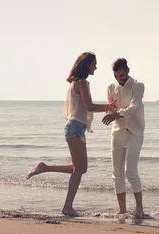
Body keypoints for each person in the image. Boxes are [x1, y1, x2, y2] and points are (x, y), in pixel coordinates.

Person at [26, 51, 115, 217]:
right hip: (74, 128)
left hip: (76, 129)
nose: (96, 66)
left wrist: (107, 107)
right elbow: (89, 107)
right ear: (87, 64)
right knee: (79, 169)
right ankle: (67, 207)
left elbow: (85, 107)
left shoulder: (77, 83)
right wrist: (108, 107)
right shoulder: (82, 83)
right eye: (94, 63)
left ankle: (44, 167)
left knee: (81, 168)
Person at [102, 58, 146, 218]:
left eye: (121, 75)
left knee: (131, 172)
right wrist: (111, 110)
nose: (119, 79)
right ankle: (122, 209)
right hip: (117, 132)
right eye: (116, 76)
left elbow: (134, 107)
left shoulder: (137, 85)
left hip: (135, 133)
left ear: (127, 70)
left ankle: (139, 208)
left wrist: (117, 113)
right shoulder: (110, 88)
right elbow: (110, 109)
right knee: (117, 173)